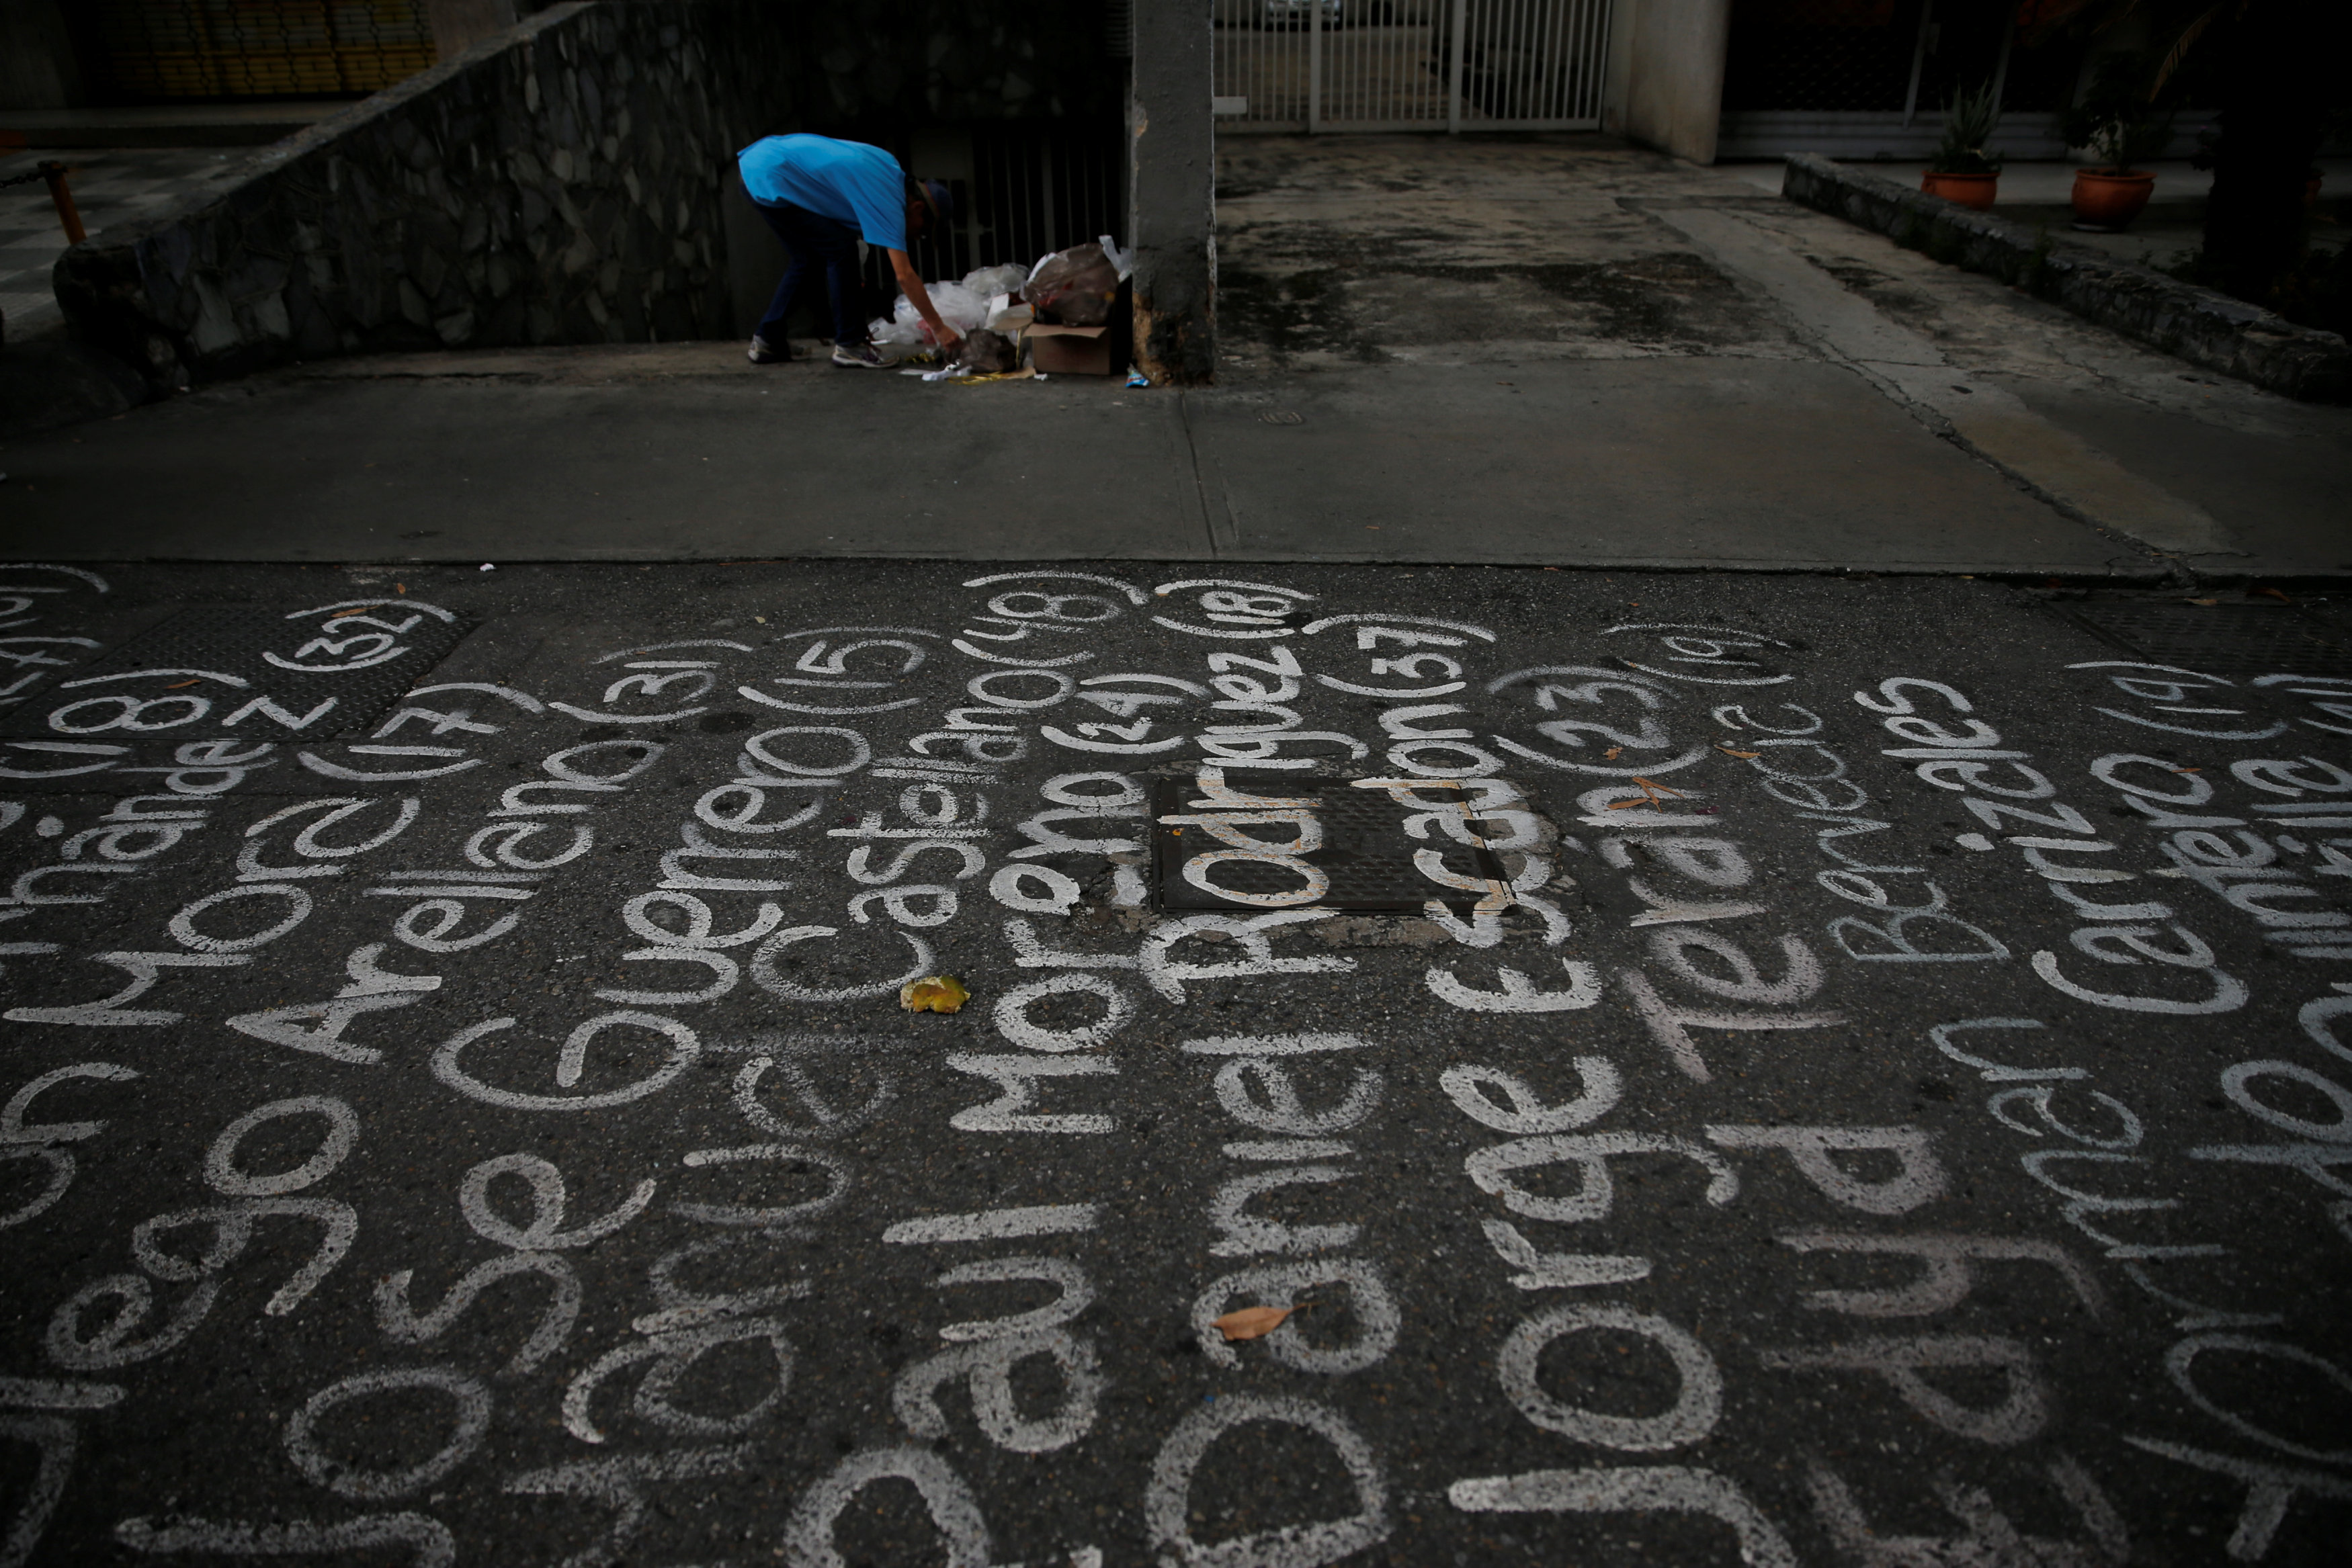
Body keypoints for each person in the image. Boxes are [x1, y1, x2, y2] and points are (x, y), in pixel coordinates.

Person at [736, 133, 961, 369]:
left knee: (809, 259)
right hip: (771, 174)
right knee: (839, 250)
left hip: (762, 162)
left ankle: (768, 341)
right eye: (922, 231)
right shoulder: (891, 203)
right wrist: (939, 328)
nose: (917, 237)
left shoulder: (889, 170)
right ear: (917, 207)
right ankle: (849, 346)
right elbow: (904, 275)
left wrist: (854, 304)